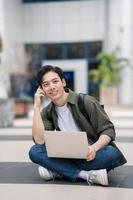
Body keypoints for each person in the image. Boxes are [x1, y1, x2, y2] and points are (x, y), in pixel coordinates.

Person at [29, 65, 127, 186]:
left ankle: (59, 170)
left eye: (55, 81)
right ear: (42, 89)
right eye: (46, 84)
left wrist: (94, 148)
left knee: (112, 154)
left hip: (91, 155)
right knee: (34, 151)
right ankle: (87, 175)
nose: (52, 87)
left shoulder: (86, 101)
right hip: (66, 155)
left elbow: (108, 130)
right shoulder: (48, 111)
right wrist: (36, 107)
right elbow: (39, 140)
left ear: (63, 82)